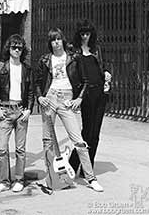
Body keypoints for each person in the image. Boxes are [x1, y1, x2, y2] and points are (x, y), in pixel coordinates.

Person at [34, 27, 104, 193]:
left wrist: (78, 99)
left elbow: (85, 80)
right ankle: (50, 174)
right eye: (53, 40)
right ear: (50, 43)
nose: (56, 43)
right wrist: (39, 97)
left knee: (78, 140)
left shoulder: (73, 58)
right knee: (47, 140)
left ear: (62, 40)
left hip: (66, 100)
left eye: (58, 39)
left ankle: (90, 177)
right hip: (50, 99)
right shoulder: (45, 59)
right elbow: (37, 81)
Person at [0, 34, 34, 193]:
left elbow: (30, 91)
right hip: (5, 109)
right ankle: (4, 181)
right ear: (8, 48)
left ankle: (19, 180)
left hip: (21, 110)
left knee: (20, 149)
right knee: (2, 149)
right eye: (14, 47)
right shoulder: (1, 66)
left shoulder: (26, 68)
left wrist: (29, 108)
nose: (17, 50)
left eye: (20, 48)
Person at [69, 20, 112, 176]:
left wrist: (107, 73)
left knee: (96, 133)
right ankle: (73, 165)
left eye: (88, 33)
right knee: (87, 132)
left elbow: (104, 66)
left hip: (100, 94)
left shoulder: (97, 50)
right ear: (78, 34)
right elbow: (73, 74)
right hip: (85, 95)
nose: (85, 37)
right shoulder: (75, 52)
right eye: (82, 34)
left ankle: (88, 168)